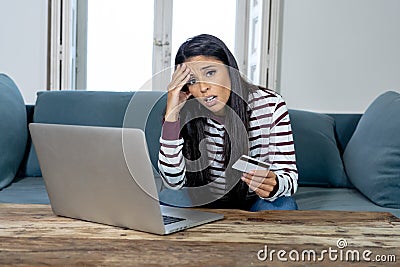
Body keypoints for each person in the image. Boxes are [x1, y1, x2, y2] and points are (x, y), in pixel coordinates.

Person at [158, 34, 298, 211]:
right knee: (169, 199)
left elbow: (290, 178)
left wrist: (275, 184)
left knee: (284, 205)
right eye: (192, 81)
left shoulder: (270, 106)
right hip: (204, 198)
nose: (202, 87)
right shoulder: (186, 110)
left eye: (210, 73)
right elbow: (173, 182)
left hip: (254, 200)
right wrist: (171, 117)